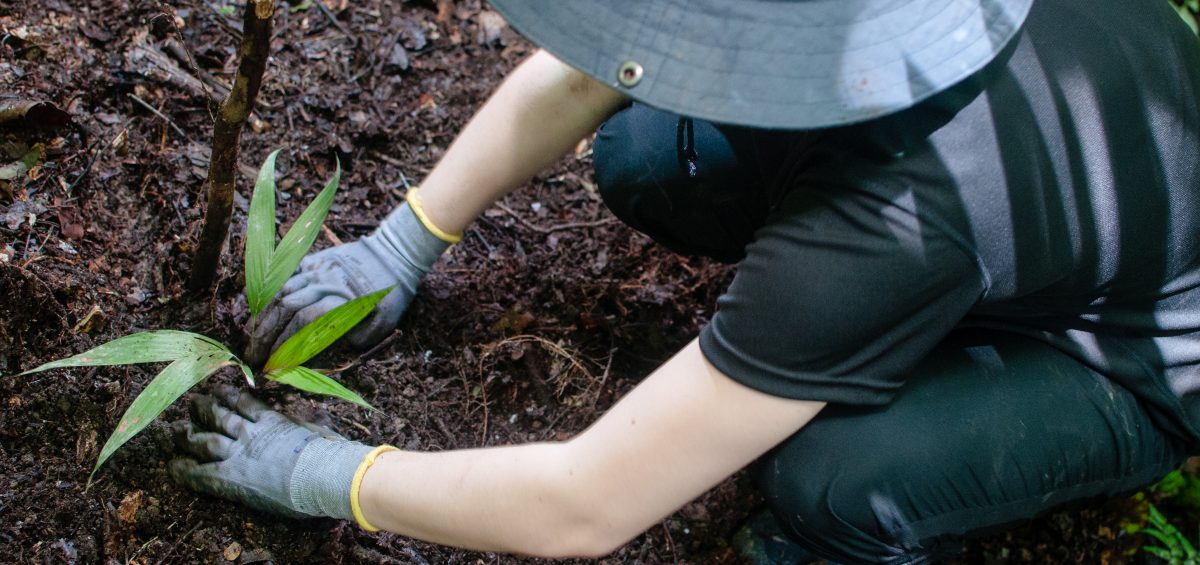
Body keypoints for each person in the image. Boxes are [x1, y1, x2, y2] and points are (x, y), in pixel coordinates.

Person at [168, 0, 1200, 561]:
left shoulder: (895, 220)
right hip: (1052, 208)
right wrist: (407, 240)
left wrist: (323, 473)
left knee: (829, 481)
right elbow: (601, 65)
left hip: (1131, 346)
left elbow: (583, 506)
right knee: (648, 150)